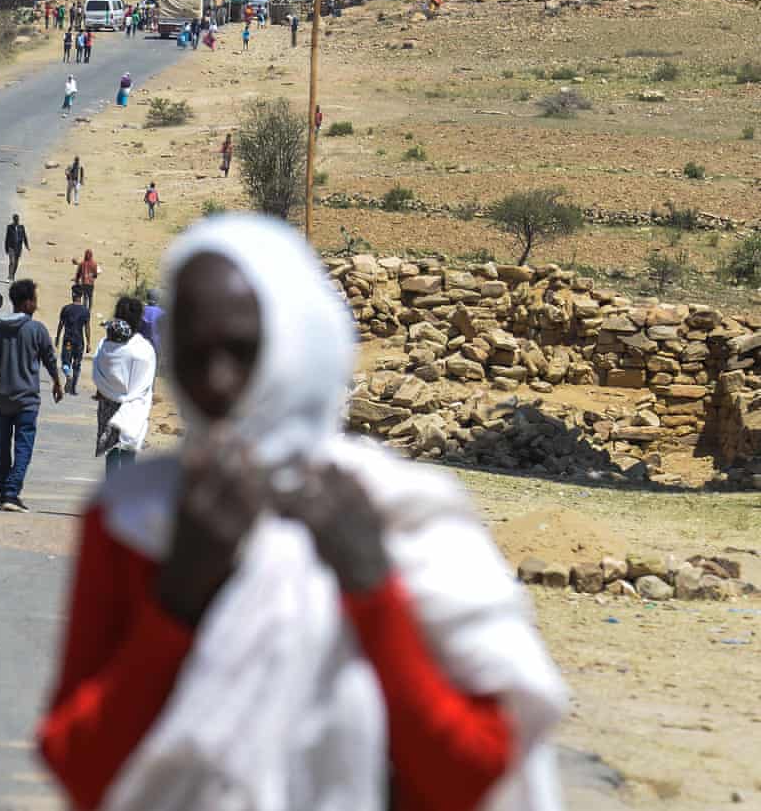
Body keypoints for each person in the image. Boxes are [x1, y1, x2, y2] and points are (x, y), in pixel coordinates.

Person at [36, 213, 567, 811]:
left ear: (298, 343)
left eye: (242, 350)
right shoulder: (137, 520)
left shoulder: (407, 518)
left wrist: (373, 592)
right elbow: (81, 767)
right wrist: (179, 598)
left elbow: (475, 773)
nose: (216, 381)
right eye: (194, 352)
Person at [0, 278, 64, 513]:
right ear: (26, 303)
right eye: (34, 299)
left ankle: (4, 491)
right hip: (27, 400)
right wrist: (57, 382)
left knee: (3, 446)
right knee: (23, 446)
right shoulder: (37, 330)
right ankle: (11, 493)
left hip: (2, 398)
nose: (36, 303)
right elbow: (49, 359)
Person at [92, 296, 156, 473]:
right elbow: (146, 381)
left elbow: (99, 369)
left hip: (108, 402)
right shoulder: (143, 348)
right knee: (129, 450)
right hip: (134, 405)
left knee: (111, 450)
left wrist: (105, 389)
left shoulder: (105, 344)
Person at [56, 287, 91, 396]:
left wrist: (57, 338)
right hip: (79, 341)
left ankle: (68, 375)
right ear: (81, 296)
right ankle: (73, 389)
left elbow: (61, 324)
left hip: (68, 341)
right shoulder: (85, 311)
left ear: (73, 294)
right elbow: (87, 327)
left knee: (65, 363)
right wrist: (89, 343)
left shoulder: (66, 309)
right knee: (77, 364)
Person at [71, 249, 101, 315]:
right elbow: (95, 275)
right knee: (90, 297)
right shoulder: (94, 264)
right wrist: (92, 277)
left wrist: (77, 281)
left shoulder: (82, 263)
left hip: (84, 283)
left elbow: (78, 274)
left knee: (85, 297)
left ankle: (84, 310)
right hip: (91, 283)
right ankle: (89, 311)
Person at [4, 213, 30, 282]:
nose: (17, 221)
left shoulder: (21, 227)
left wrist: (27, 246)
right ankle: (9, 276)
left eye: (17, 220)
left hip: (18, 248)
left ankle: (13, 275)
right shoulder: (9, 227)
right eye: (15, 220)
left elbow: (24, 237)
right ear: (13, 220)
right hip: (11, 247)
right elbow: (7, 238)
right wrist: (6, 248)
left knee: (16, 263)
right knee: (12, 262)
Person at [139, 288, 163, 354]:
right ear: (158, 299)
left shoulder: (141, 311)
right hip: (157, 347)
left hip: (142, 346)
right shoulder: (162, 313)